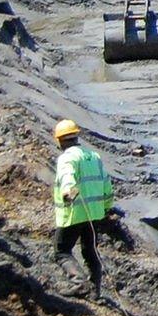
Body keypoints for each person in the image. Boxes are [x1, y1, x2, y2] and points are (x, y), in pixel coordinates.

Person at [51, 119, 112, 294]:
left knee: (61, 250)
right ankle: (95, 291)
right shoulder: (94, 156)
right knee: (90, 250)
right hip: (94, 213)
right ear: (76, 136)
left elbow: (67, 176)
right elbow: (106, 184)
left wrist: (68, 193)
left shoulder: (67, 158)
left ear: (60, 140)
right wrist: (107, 206)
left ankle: (79, 282)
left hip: (75, 213)